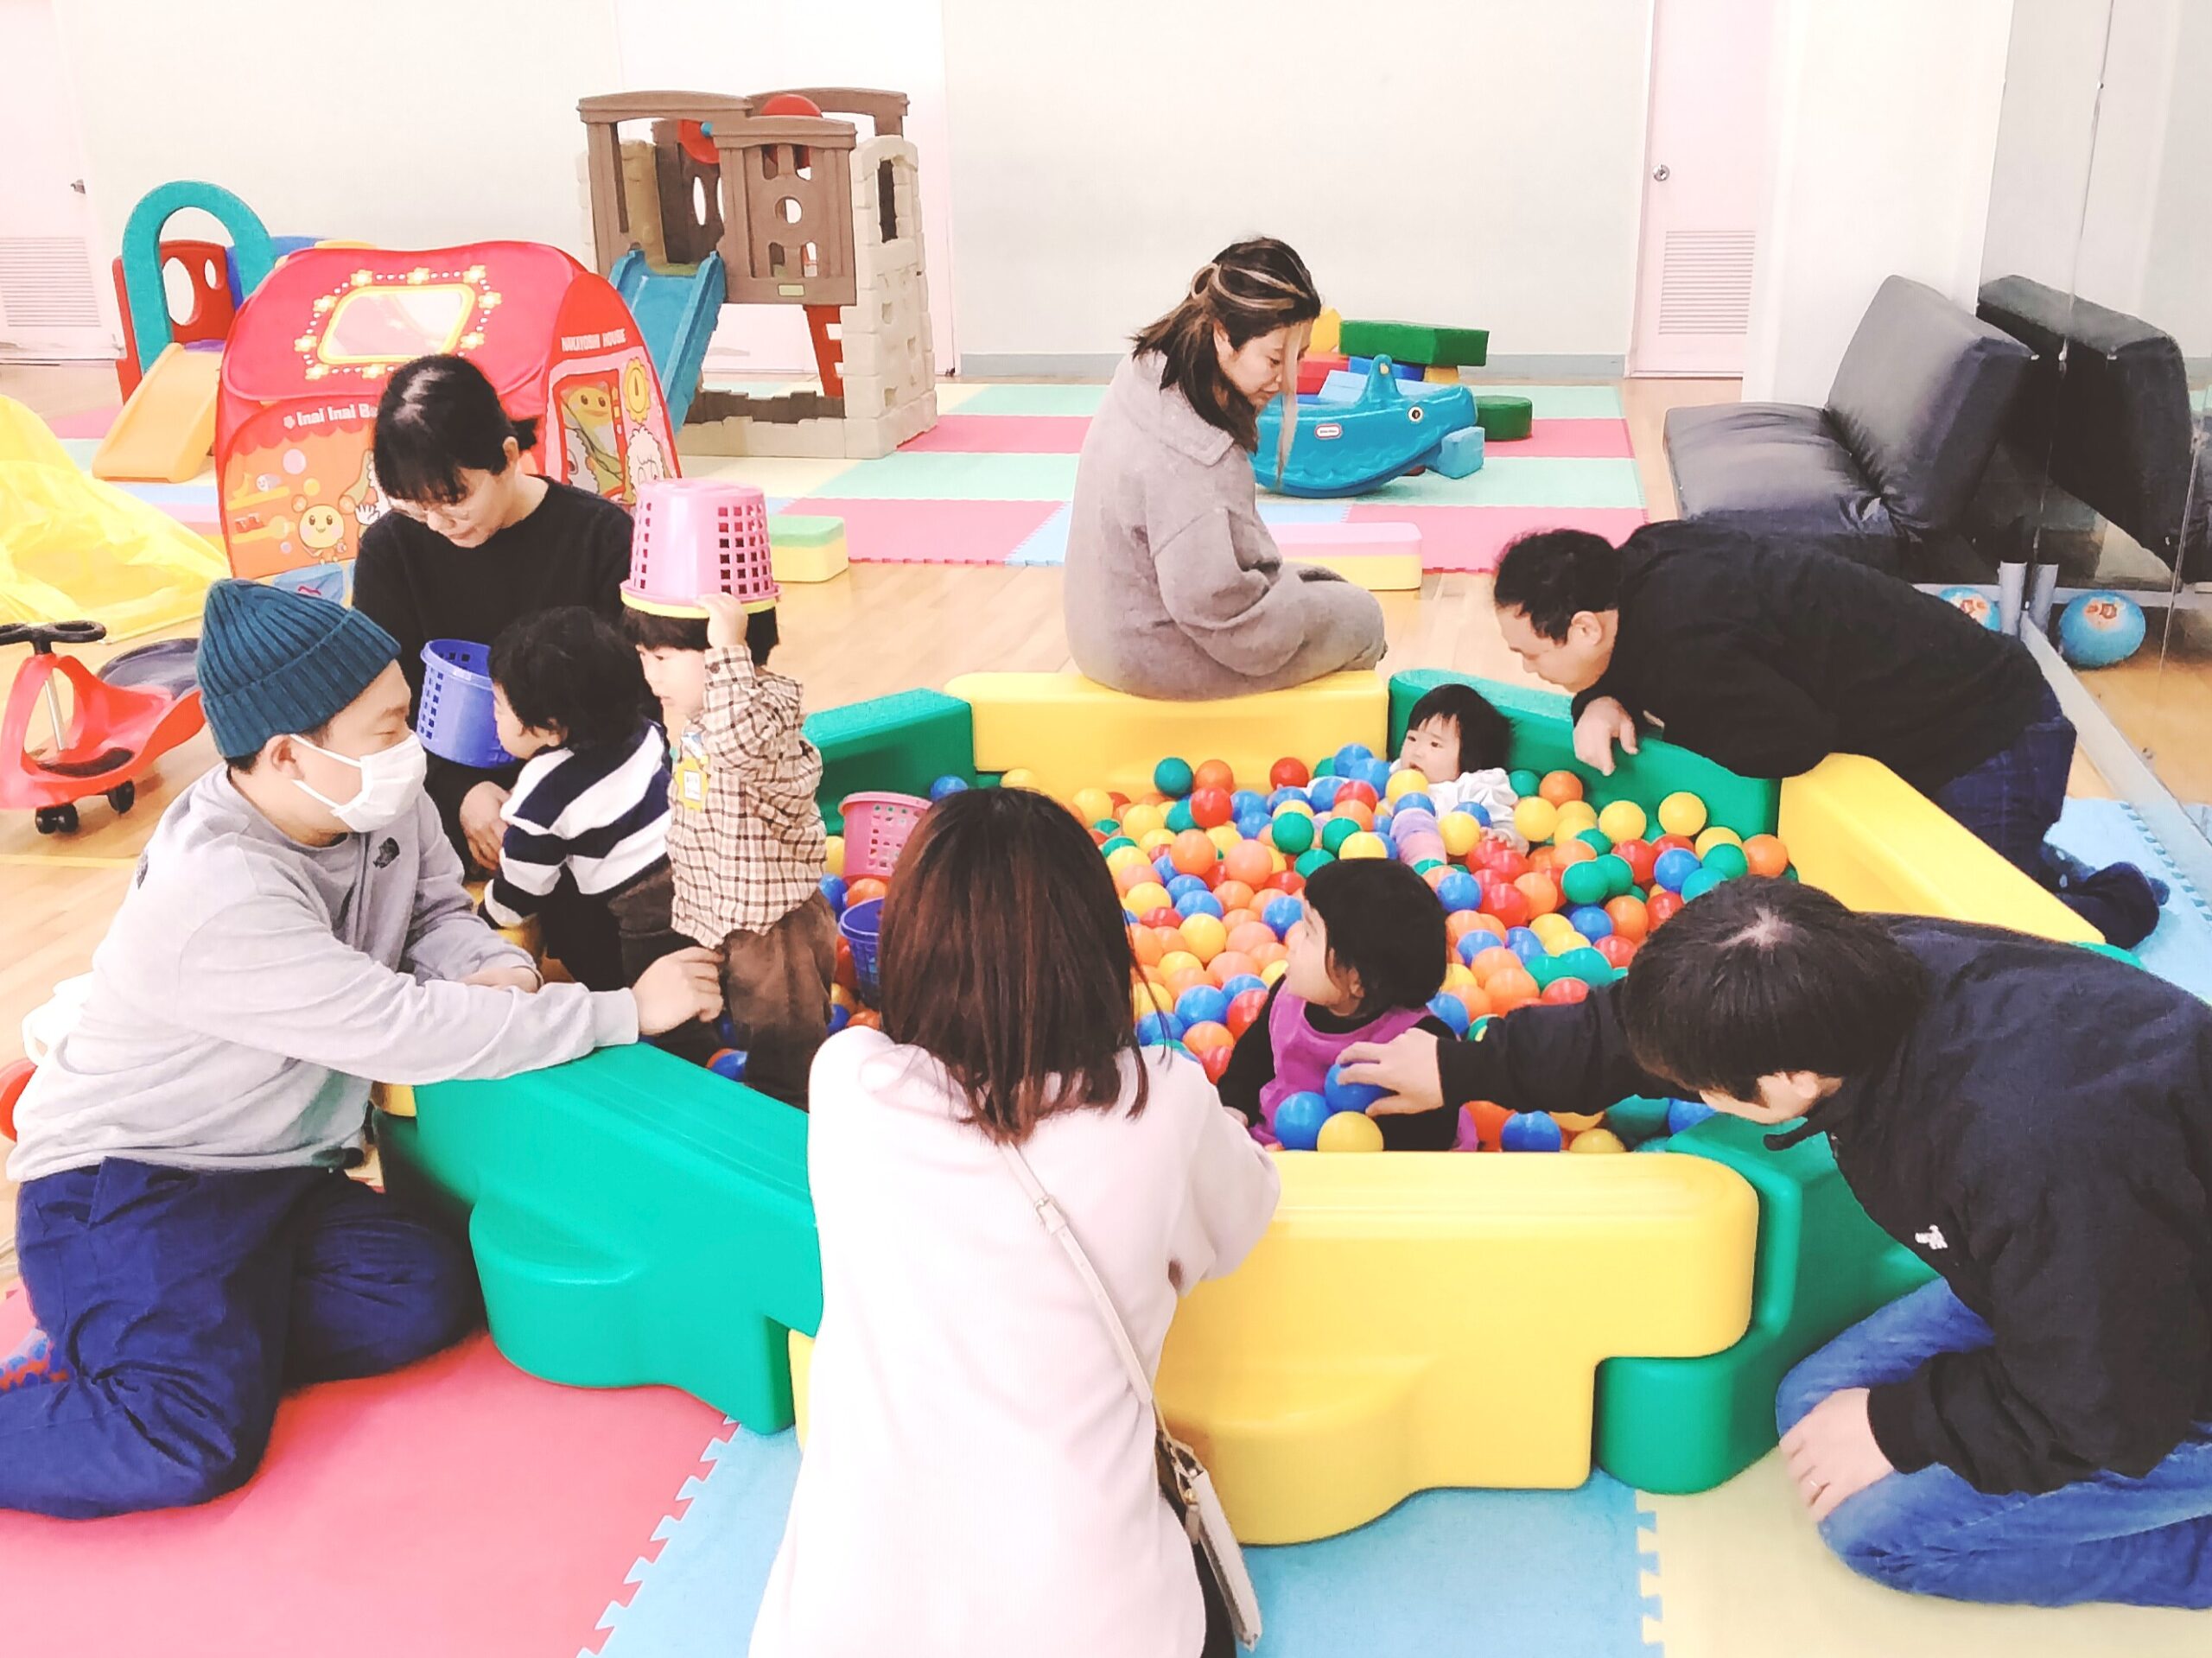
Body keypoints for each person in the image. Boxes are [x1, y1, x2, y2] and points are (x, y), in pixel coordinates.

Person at [0, 581, 721, 1521]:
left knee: (426, 1293)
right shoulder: (219, 891)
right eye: (387, 729)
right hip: (133, 1182)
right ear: (289, 753)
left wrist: (499, 969)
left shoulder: (373, 797)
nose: (410, 749)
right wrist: (620, 1010)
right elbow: (400, 1025)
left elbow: (435, 913)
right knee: (185, 1439)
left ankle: (176, 1338)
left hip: (276, 1173)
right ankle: (154, 1356)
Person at [1338, 878, 2212, 1608]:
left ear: (1792, 1077)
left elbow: (2106, 1399)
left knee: (1878, 1535)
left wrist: (1901, 1425)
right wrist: (1463, 1068)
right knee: (1811, 1403)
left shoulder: (2030, 1152)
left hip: (2164, 1372)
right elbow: (1644, 1031)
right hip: (2100, 1277)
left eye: (1702, 1089)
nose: (1686, 1091)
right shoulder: (1839, 972)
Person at [749, 788, 1280, 1657]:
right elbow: (1246, 1215)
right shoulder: (1162, 1100)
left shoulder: (849, 1083)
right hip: (1092, 1629)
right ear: (1094, 952)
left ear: (909, 951)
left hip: (845, 1630)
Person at [1489, 521, 2164, 946]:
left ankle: (2122, 900)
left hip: (1994, 734)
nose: (1527, 668)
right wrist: (1601, 695)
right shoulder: (1642, 560)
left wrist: (1666, 719)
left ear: (1585, 627)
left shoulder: (1684, 649)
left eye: (1531, 654)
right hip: (1942, 715)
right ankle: (2036, 861)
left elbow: (1794, 741)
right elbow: (1667, 652)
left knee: (1990, 941)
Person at [351, 353, 636, 978]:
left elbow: (633, 710)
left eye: (453, 499)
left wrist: (543, 802)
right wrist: (461, 793)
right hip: (435, 792)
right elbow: (377, 708)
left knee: (610, 929)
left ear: (507, 457)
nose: (438, 524)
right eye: (415, 507)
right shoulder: (393, 550)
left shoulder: (599, 538)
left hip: (581, 793)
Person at [1064, 238, 1387, 700]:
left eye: (1298, 357)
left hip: (1099, 629)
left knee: (1321, 589)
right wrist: (1306, 618)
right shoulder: (1197, 458)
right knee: (1362, 619)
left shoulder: (1148, 374)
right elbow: (1220, 613)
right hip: (1144, 654)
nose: (1288, 380)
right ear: (1221, 334)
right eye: (1274, 360)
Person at [626, 592, 832, 1102]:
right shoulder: (707, 715)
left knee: (785, 1047)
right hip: (726, 912)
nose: (650, 676)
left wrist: (728, 651)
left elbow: (738, 745)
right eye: (644, 657)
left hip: (773, 931)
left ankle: (787, 1117)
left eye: (662, 658)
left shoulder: (760, 722)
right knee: (746, 1020)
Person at [481, 607, 683, 989]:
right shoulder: (645, 730)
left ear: (551, 728)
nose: (494, 718)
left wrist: (488, 914)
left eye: (498, 707)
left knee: (649, 990)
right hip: (695, 870)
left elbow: (523, 886)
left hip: (642, 912)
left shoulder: (542, 793)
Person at [1217, 859, 1459, 1149]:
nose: (1293, 941)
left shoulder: (1416, 1041)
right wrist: (1234, 1107)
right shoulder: (1288, 997)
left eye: (1310, 933)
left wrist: (1327, 1152)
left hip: (1362, 1164)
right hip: (1277, 1141)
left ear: (1358, 981)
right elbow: (1252, 1059)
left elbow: (1428, 1136)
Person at [1394, 679, 1523, 844]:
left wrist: (1503, 836)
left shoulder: (1475, 788)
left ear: (1470, 758)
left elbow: (1513, 827)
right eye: (1412, 738)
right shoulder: (1398, 774)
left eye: (1435, 744)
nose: (1417, 752)